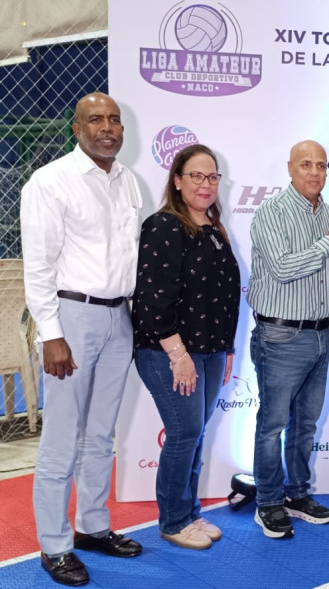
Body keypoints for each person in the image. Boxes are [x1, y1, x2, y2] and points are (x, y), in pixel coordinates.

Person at [21, 92, 143, 586]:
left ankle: (92, 527)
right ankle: (54, 546)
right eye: (96, 119)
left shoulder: (128, 181)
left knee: (100, 434)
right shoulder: (50, 182)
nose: (107, 127)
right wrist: (51, 335)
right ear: (77, 128)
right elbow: (39, 267)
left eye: (114, 119)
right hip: (71, 319)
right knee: (62, 439)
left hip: (120, 318)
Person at [132, 144, 240, 550]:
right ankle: (174, 520)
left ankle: (189, 511)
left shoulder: (213, 228)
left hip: (210, 350)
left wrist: (225, 349)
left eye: (212, 176)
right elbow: (154, 298)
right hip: (168, 352)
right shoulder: (164, 225)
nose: (206, 184)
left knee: (194, 434)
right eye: (196, 175)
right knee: (184, 432)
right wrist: (178, 355)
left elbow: (223, 294)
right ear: (177, 180)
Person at [249, 140, 329, 539]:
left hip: (321, 332)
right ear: (290, 168)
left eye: (321, 166)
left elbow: (322, 274)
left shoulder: (327, 213)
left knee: (305, 424)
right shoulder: (271, 212)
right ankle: (269, 503)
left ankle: (296, 494)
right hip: (281, 333)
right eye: (305, 165)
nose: (314, 172)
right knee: (273, 425)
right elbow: (282, 269)